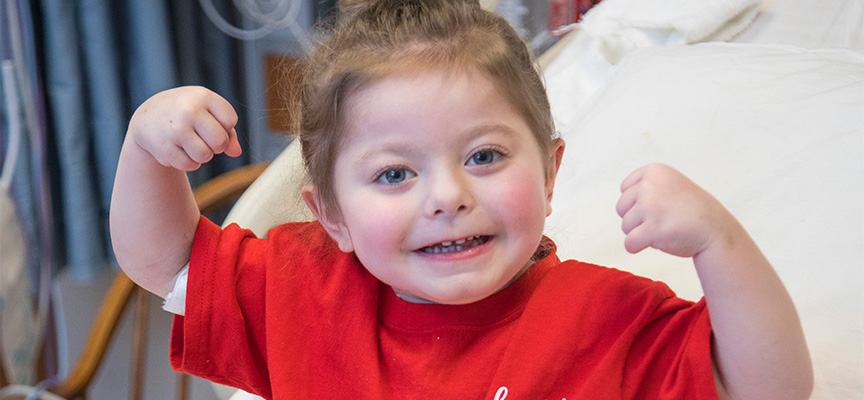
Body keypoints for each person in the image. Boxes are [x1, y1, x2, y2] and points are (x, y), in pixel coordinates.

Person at [109, 0, 813, 398]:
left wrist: (722, 245)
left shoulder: (607, 319)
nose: (447, 196)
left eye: (484, 157)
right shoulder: (300, 291)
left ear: (548, 174)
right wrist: (145, 148)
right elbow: (162, 260)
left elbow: (772, 389)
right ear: (330, 215)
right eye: (393, 174)